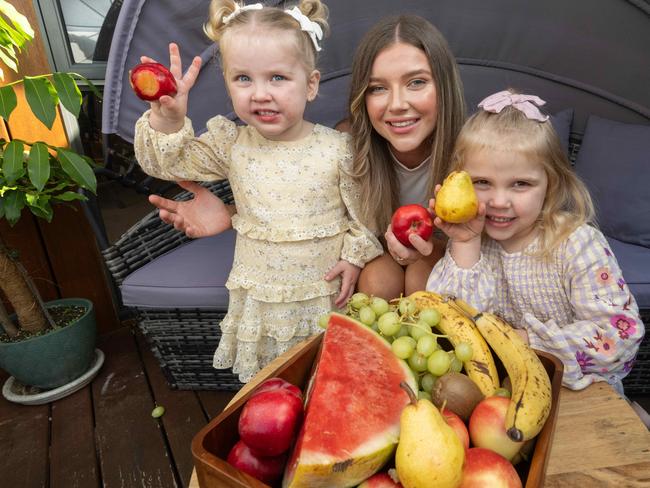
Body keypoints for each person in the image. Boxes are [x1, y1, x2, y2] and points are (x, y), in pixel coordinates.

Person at [133, 0, 382, 382]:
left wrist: (354, 257)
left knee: (328, 380)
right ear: (228, 83)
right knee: (273, 386)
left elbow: (364, 213)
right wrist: (167, 120)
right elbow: (168, 163)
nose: (260, 94)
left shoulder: (337, 149)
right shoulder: (232, 145)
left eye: (278, 78)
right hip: (262, 297)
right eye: (243, 79)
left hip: (323, 294)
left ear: (310, 84)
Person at [149, 14, 467, 300]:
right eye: (378, 88)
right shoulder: (350, 144)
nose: (397, 104)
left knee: (422, 277)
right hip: (374, 251)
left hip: (451, 256)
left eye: (417, 83)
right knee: (378, 283)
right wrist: (231, 212)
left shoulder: (469, 155)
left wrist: (431, 251)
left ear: (445, 85)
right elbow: (312, 210)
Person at [426, 89, 644, 392]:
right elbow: (450, 326)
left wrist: (526, 341)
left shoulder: (576, 243)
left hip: (575, 390)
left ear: (550, 185)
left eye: (520, 184)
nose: (500, 200)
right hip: (499, 390)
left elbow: (619, 339)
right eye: (482, 183)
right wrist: (465, 244)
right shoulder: (474, 242)